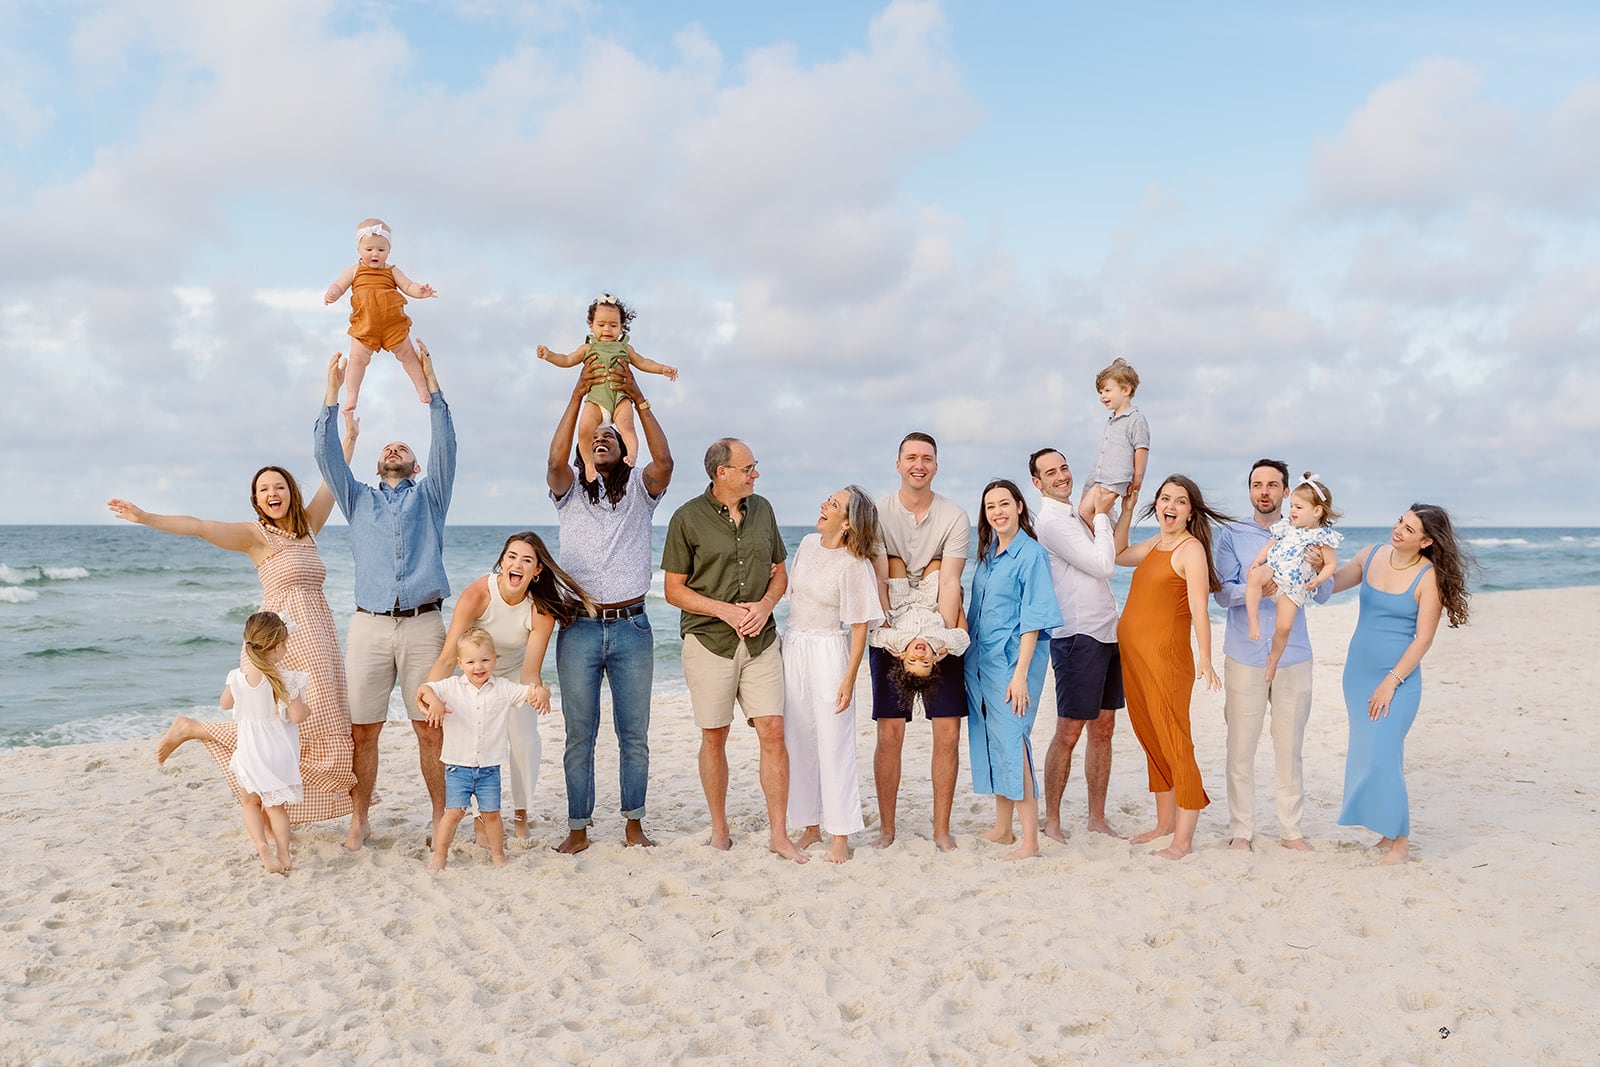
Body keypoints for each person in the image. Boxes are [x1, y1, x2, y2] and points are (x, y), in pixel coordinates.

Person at [109, 385, 360, 828]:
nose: (272, 493)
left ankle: (274, 804)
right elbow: (201, 527)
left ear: (290, 493)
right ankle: (194, 729)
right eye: (264, 489)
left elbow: (333, 483)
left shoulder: (308, 529)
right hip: (278, 645)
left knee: (319, 728)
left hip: (320, 640)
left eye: (279, 486)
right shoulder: (255, 536)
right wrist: (146, 517)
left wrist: (350, 440)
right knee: (269, 727)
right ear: (257, 500)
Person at [315, 342, 456, 851]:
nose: (394, 449)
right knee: (362, 731)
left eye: (403, 448)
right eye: (387, 448)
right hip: (369, 627)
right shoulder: (358, 500)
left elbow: (446, 446)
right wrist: (332, 396)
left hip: (423, 626)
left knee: (430, 731)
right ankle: (360, 819)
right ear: (377, 466)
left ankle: (440, 815)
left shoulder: (430, 497)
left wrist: (433, 390)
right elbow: (325, 455)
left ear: (416, 466)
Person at [546, 357, 674, 853]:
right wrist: (577, 396)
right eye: (596, 437)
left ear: (624, 454)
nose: (602, 437)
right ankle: (578, 828)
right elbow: (555, 461)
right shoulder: (569, 493)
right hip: (577, 629)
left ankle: (634, 824)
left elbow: (665, 462)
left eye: (612, 437)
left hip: (632, 629)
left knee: (633, 735)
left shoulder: (642, 492)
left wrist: (639, 398)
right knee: (580, 735)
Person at [662, 438, 807, 863]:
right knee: (714, 735)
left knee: (773, 733)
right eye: (748, 468)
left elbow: (780, 572)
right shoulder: (686, 518)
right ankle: (719, 829)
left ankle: (779, 835)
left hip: (761, 640)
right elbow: (673, 590)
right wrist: (725, 611)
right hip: (710, 642)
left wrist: (765, 606)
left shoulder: (763, 509)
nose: (755, 474)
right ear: (721, 473)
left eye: (754, 467)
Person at [423, 532, 592, 839]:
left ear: (537, 570)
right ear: (502, 562)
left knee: (525, 740)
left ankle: (520, 812)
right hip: (474, 673)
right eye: (511, 557)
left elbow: (530, 672)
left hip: (513, 674)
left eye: (527, 560)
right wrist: (429, 691)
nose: (517, 564)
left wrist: (537, 691)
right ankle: (479, 816)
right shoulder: (478, 594)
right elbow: (449, 656)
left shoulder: (541, 609)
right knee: (476, 741)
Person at [1329, 505, 1472, 866]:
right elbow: (1331, 587)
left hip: (1397, 680)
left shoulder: (1427, 578)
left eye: (1409, 530)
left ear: (1425, 541)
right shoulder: (1371, 555)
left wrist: (1390, 682)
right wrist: (1319, 561)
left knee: (1383, 758)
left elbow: (1423, 640)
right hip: (1357, 676)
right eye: (1400, 522)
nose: (1398, 530)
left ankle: (1400, 845)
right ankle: (1387, 834)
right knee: (1369, 754)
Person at [1213, 460, 1334, 852]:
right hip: (1244, 655)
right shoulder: (1232, 534)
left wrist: (1319, 569)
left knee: (1289, 748)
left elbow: (1326, 592)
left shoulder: (1309, 533)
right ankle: (1242, 831)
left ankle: (1291, 831)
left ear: (1285, 491)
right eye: (1256, 484)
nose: (1264, 491)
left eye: (1272, 485)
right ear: (1250, 490)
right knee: (1240, 748)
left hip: (1293, 654)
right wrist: (1260, 590)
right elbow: (1223, 592)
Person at [1115, 475, 1228, 860]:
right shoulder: (1155, 545)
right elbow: (1116, 554)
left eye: (1180, 501)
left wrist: (1206, 657)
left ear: (1190, 511)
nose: (1171, 506)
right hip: (1134, 656)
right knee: (1150, 735)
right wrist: (1127, 510)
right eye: (1165, 498)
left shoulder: (1189, 550)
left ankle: (1183, 840)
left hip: (1166, 659)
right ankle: (1164, 824)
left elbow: (1200, 608)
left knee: (1175, 738)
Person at [1028, 448, 1137, 841]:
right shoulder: (1053, 523)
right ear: (1037, 483)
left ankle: (1097, 817)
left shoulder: (1075, 514)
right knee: (1069, 730)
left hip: (1106, 632)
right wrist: (1104, 516)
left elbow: (1112, 544)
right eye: (1050, 473)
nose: (1061, 476)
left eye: (1063, 468)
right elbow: (1104, 564)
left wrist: (1122, 508)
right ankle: (1052, 820)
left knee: (1104, 728)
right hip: (1076, 636)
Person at [869, 432, 970, 852]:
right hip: (891, 616)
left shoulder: (954, 516)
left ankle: (941, 830)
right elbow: (876, 577)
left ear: (936, 465)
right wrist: (891, 633)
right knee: (890, 733)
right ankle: (888, 828)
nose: (919, 465)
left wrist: (940, 638)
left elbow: (949, 580)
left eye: (927, 458)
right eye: (911, 457)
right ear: (898, 465)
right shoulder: (877, 512)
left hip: (936, 621)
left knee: (947, 733)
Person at [782, 487, 884, 864]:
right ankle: (810, 825)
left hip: (829, 651)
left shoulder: (854, 564)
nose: (824, 506)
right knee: (800, 739)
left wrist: (848, 679)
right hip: (793, 645)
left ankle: (840, 834)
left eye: (834, 505)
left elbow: (860, 628)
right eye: (827, 500)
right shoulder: (807, 544)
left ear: (847, 523)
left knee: (834, 743)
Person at [964, 479, 1062, 861]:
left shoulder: (1031, 555)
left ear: (1020, 506)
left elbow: (1034, 619)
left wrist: (1020, 674)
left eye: (1005, 503)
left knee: (1013, 740)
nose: (998, 512)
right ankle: (1003, 829)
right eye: (991, 507)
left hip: (1012, 664)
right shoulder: (989, 554)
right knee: (993, 741)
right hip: (981, 662)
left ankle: (1030, 842)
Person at [417, 627, 544, 870]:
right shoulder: (450, 687)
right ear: (460, 663)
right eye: (471, 661)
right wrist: (433, 702)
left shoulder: (503, 688)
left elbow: (529, 692)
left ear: (495, 660)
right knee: (453, 813)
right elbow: (424, 688)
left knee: (492, 814)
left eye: (485, 660)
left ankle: (498, 855)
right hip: (458, 767)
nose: (479, 667)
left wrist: (541, 693)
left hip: (489, 769)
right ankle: (439, 856)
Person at [537, 294, 679, 482]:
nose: (607, 330)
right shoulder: (588, 348)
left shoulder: (625, 348)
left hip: (621, 398)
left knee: (627, 426)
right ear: (591, 325)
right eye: (601, 325)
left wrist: (662, 369)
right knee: (584, 429)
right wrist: (549, 355)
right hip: (596, 400)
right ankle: (588, 463)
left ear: (621, 327)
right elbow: (567, 360)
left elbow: (644, 362)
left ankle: (633, 453)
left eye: (613, 325)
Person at [219, 611, 311, 875]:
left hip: (249, 749)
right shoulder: (285, 678)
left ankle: (261, 845)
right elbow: (297, 715)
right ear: (279, 646)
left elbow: (225, 704)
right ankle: (283, 853)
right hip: (277, 751)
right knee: (276, 807)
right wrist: (307, 711)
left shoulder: (237, 676)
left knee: (250, 803)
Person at [323, 218, 437, 412]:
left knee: (408, 355)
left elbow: (408, 286)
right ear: (359, 249)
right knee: (357, 359)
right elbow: (339, 285)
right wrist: (332, 292)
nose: (375, 253)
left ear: (389, 251)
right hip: (365, 325)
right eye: (369, 250)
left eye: (381, 250)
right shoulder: (354, 270)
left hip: (393, 324)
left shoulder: (393, 272)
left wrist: (420, 291)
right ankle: (352, 395)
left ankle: (421, 388)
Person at [1244, 473, 1343, 683]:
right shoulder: (1285, 527)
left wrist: (1318, 579)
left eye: (1298, 507)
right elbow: (1270, 544)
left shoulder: (1322, 537)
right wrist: (1257, 562)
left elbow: (1331, 564)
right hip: (1274, 570)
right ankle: (1253, 621)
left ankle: (1273, 660)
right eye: (1292, 506)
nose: (1292, 511)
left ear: (1316, 511)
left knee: (1284, 627)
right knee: (1254, 578)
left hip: (1293, 589)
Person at [1079, 358, 1149, 526]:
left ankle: (1107, 545)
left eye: (1107, 391)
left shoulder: (1135, 419)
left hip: (1115, 478)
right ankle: (1114, 539)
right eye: (1101, 392)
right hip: (1099, 476)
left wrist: (1137, 477)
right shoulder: (1112, 420)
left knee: (1087, 512)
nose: (1103, 396)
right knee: (1085, 511)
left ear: (1125, 390)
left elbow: (1141, 448)